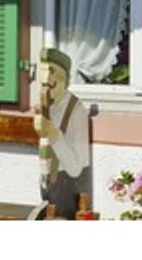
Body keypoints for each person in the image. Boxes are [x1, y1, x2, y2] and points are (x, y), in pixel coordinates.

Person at [35, 48, 91, 218]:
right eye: (43, 71)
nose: (45, 79)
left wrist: (53, 133)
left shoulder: (77, 111)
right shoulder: (47, 107)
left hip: (68, 191)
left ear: (64, 76)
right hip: (47, 185)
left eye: (51, 71)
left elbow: (76, 170)